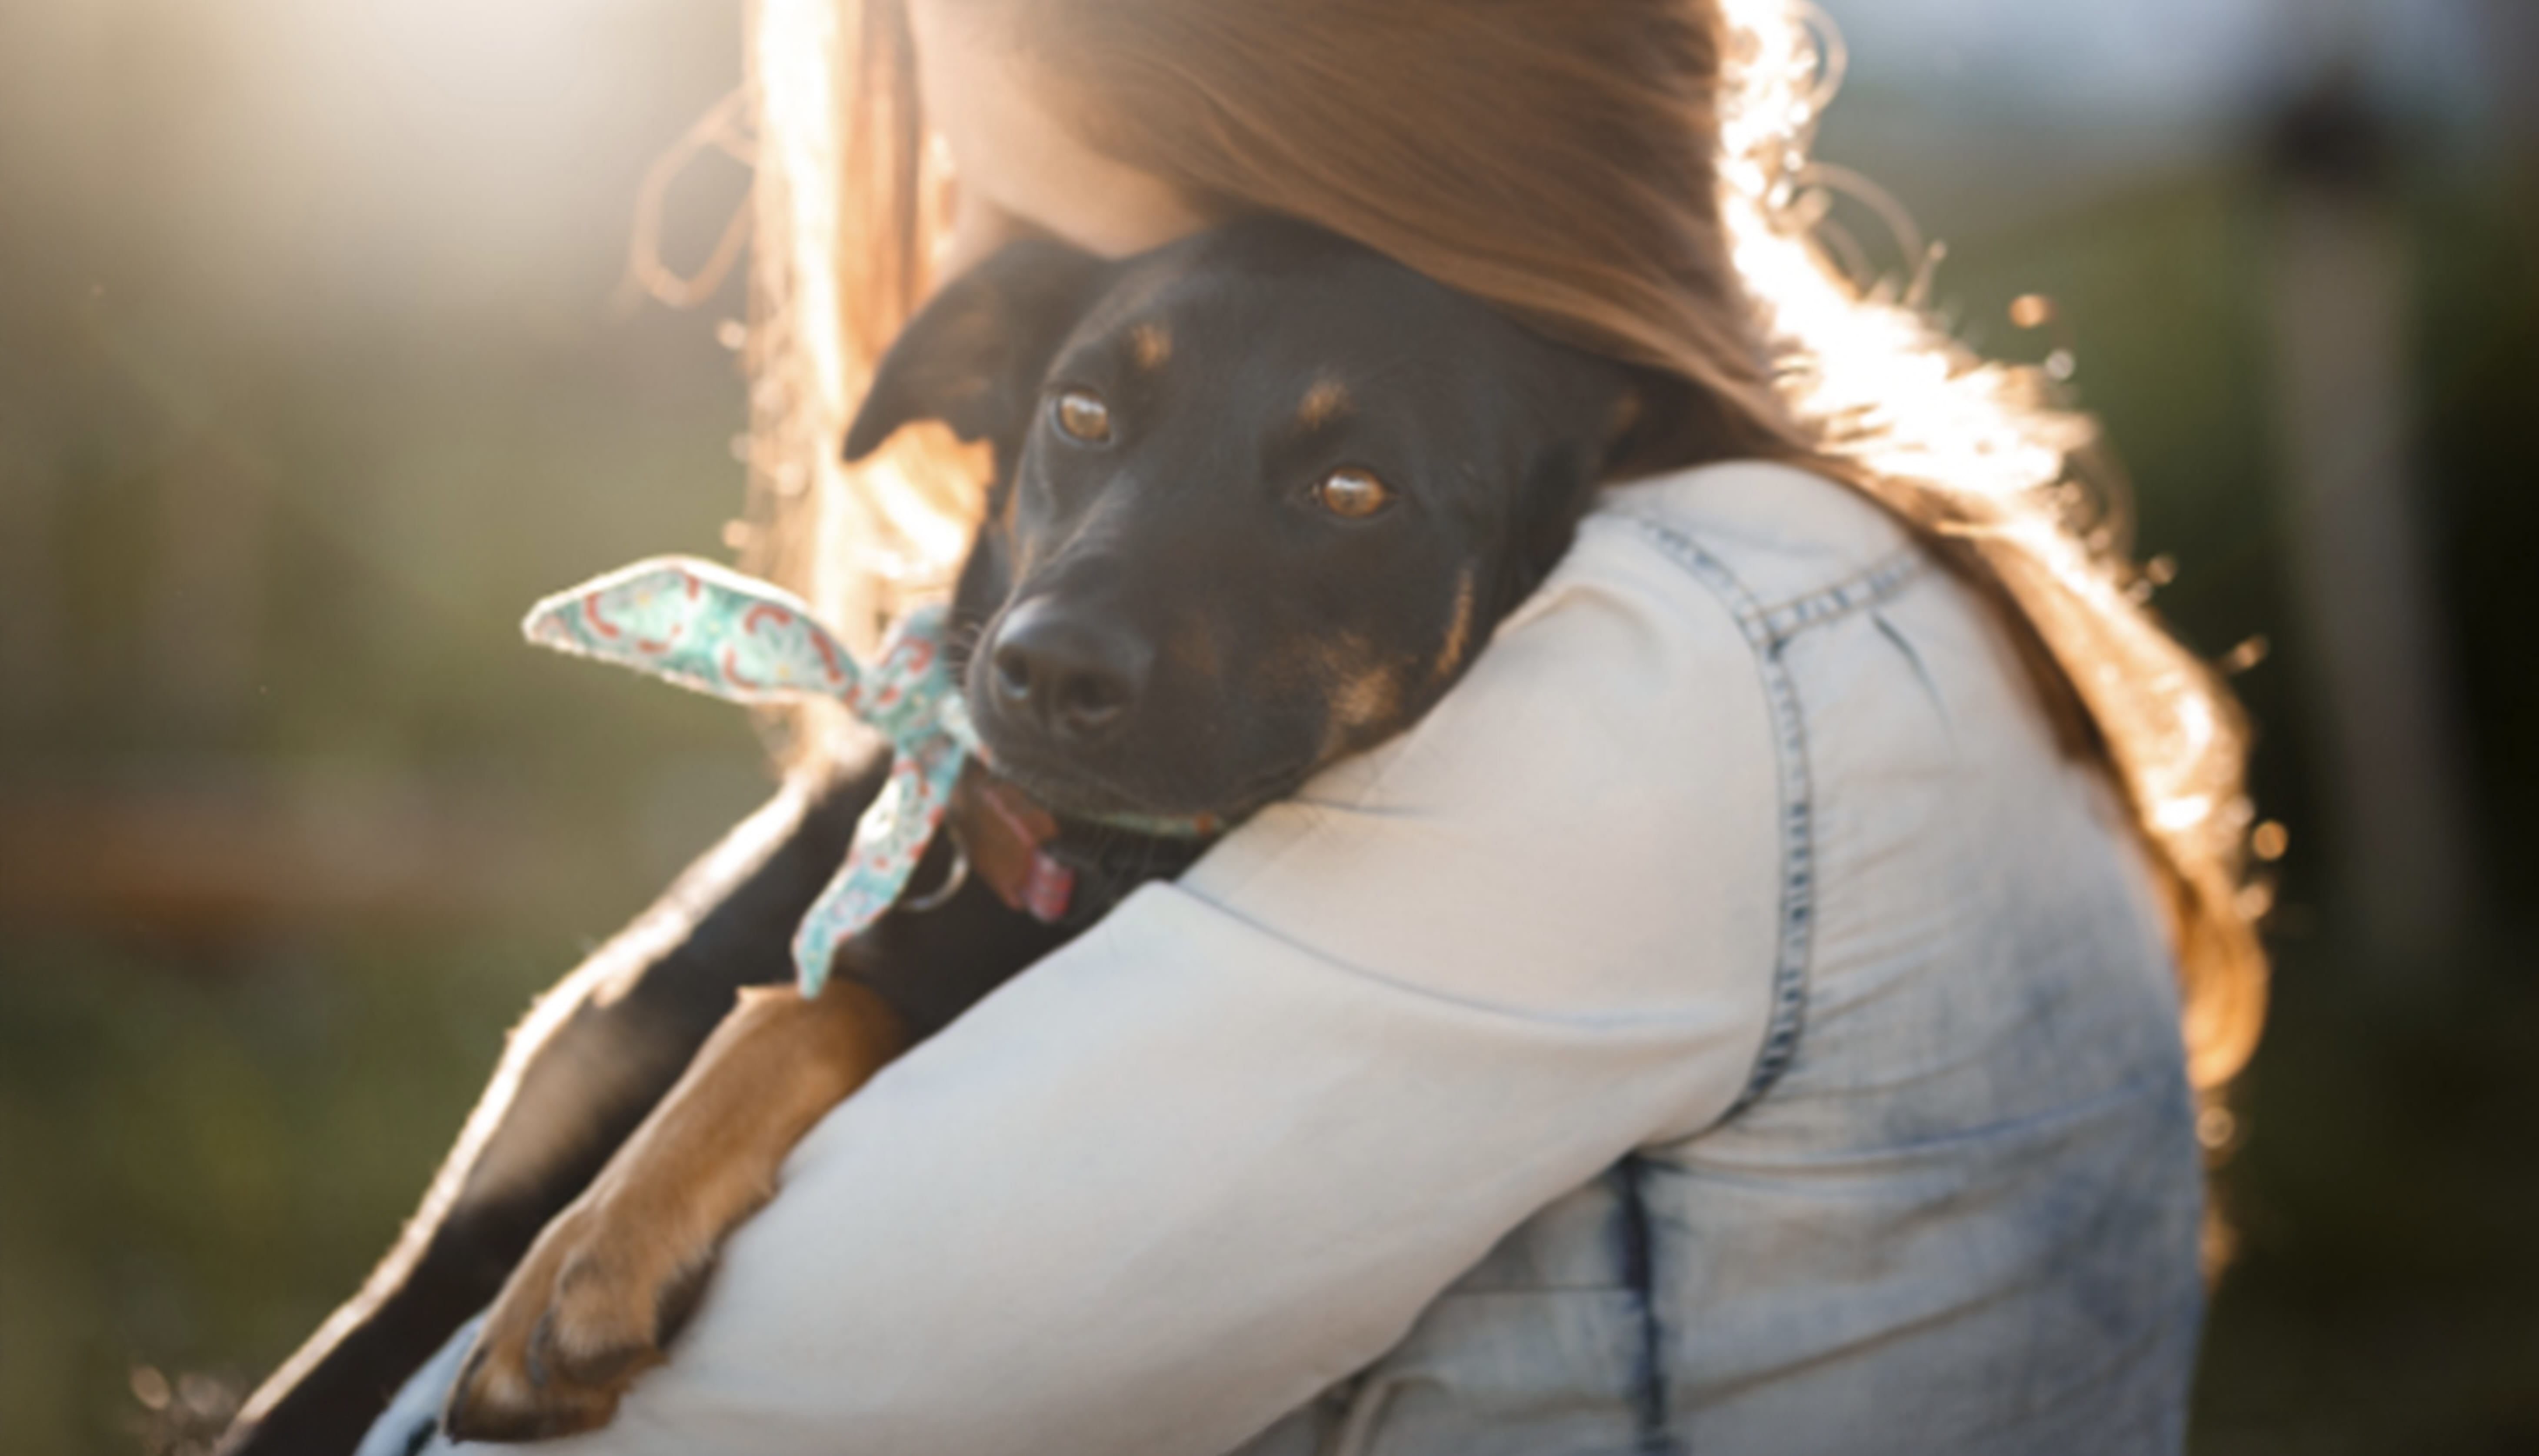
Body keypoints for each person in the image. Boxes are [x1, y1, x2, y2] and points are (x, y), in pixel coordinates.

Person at [351, 0, 2271, 1450]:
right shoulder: (1810, 565)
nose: (921, 116)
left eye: (983, 135)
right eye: (1088, 419)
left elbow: (714, 1422)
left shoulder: (1630, 691)